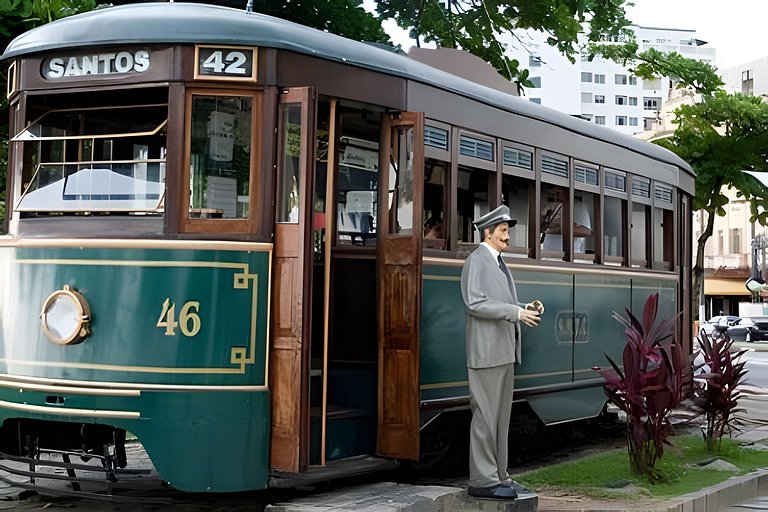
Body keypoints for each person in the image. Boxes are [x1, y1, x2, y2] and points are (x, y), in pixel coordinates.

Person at [459, 204, 544, 500]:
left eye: (507, 231)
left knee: (500, 418)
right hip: (486, 354)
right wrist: (515, 312)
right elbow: (474, 303)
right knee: (485, 416)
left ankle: (500, 476)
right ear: (489, 233)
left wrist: (524, 309)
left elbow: (499, 303)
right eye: (504, 231)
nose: (508, 237)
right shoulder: (477, 261)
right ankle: (483, 480)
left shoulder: (497, 262)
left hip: (503, 352)